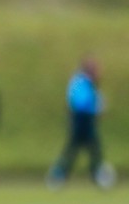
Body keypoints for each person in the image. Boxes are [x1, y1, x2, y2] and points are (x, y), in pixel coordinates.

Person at [47, 56, 114, 189]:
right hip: (81, 120)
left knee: (90, 150)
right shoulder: (81, 82)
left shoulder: (86, 83)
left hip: (84, 120)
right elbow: (80, 103)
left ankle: (95, 175)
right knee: (76, 149)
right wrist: (96, 108)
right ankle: (59, 175)